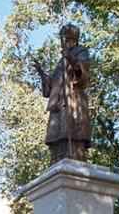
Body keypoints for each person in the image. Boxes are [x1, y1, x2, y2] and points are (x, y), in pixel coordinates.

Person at [33, 23, 92, 165]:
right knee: (58, 131)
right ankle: (58, 159)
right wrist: (42, 74)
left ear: (71, 39)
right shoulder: (61, 61)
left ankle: (74, 156)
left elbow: (84, 71)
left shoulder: (80, 51)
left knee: (72, 129)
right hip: (59, 101)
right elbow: (52, 86)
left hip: (73, 99)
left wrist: (71, 59)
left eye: (63, 39)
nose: (62, 42)